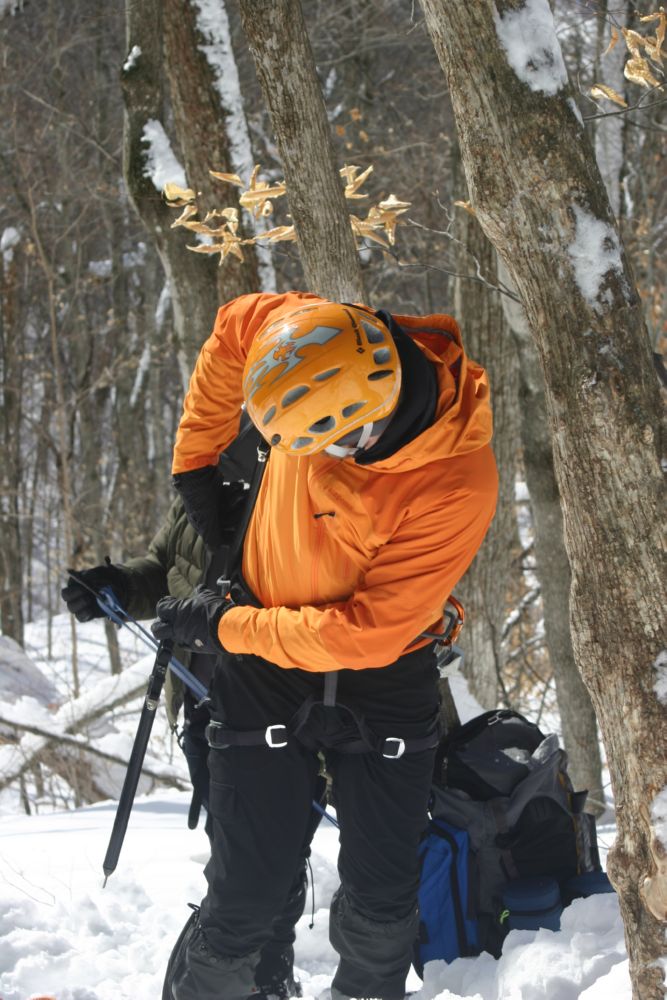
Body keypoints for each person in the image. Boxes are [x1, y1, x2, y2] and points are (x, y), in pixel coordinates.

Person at [152, 291, 499, 1000]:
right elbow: (233, 328)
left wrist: (224, 628)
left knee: (381, 888)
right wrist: (196, 459)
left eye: (336, 444)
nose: (317, 462)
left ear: (377, 406)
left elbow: (364, 634)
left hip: (381, 668)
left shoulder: (457, 479)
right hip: (265, 663)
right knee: (246, 887)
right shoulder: (307, 333)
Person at [60, 419, 323, 1000]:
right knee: (236, 851)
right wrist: (113, 584)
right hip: (203, 708)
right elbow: (165, 569)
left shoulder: (298, 484)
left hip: (276, 708)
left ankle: (261, 976)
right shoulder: (201, 486)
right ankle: (254, 977)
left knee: (270, 852)